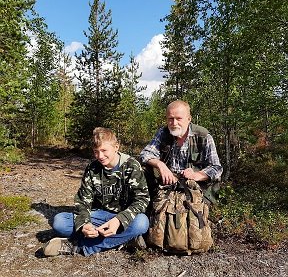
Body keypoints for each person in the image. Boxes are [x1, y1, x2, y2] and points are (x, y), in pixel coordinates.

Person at [43, 127, 150, 257]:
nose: (100, 156)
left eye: (104, 150)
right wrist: (84, 224)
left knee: (141, 223)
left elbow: (142, 199)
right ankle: (126, 239)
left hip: (122, 218)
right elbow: (82, 201)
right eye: (96, 152)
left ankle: (80, 247)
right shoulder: (92, 168)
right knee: (59, 222)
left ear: (116, 147)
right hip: (98, 217)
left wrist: (118, 220)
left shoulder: (131, 166)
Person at [139, 100, 223, 204]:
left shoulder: (203, 136)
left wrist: (196, 175)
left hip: (194, 185)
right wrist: (161, 165)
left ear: (189, 119)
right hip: (169, 182)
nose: (174, 123)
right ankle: (141, 205)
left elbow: (216, 168)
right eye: (170, 119)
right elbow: (145, 154)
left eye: (179, 119)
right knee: (141, 170)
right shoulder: (163, 133)